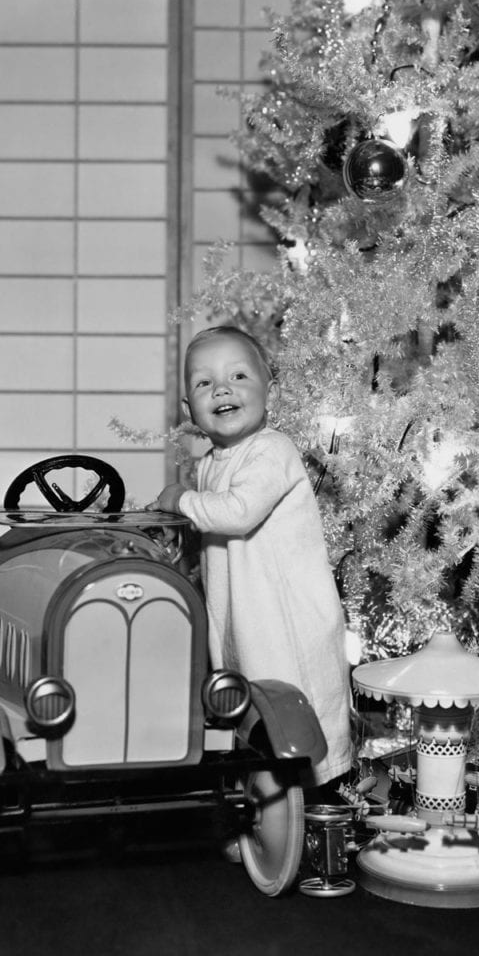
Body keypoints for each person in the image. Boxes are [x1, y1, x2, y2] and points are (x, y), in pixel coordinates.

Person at [149, 325, 352, 790]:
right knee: (247, 699)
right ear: (189, 410)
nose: (221, 389)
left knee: (297, 697)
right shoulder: (208, 464)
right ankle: (262, 809)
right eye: (204, 383)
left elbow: (238, 513)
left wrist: (179, 500)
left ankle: (322, 793)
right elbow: (210, 532)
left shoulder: (272, 450)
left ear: (269, 391)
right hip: (241, 608)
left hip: (285, 614)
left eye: (239, 375)